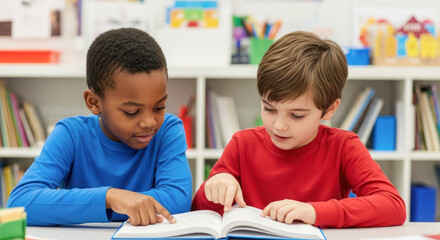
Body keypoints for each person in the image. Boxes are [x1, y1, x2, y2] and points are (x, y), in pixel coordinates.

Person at [192, 31, 406, 228]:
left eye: (297, 115)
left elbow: (393, 206)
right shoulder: (242, 144)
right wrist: (213, 189)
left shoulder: (343, 147)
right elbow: (200, 212)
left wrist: (314, 211)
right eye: (269, 108)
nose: (279, 125)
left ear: (329, 109)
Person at [8, 28, 193, 226]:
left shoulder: (168, 130)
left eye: (159, 107)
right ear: (94, 102)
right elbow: (21, 202)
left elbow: (177, 201)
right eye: (131, 112)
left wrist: (93, 207)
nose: (149, 122)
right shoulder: (71, 135)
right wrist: (109, 199)